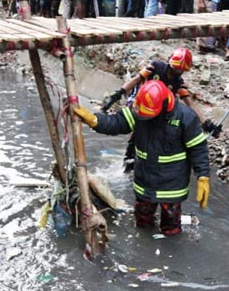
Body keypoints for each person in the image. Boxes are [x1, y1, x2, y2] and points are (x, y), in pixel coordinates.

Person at [74, 80, 210, 237]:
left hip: (172, 186)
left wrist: (203, 176)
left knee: (171, 229)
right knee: (142, 224)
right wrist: (95, 120)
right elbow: (117, 122)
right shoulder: (140, 110)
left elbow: (198, 148)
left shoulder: (185, 117)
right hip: (145, 182)